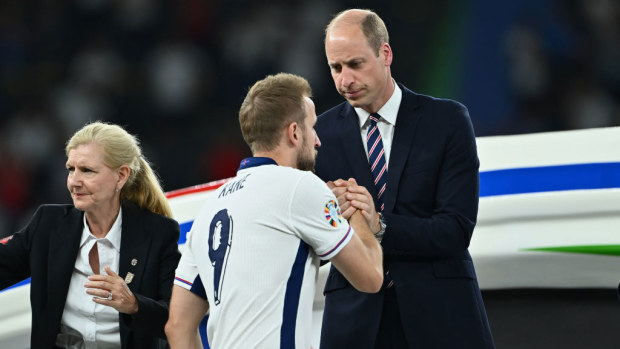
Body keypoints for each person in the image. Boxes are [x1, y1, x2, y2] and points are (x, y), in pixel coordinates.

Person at [315, 9, 495, 348]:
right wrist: (326, 215)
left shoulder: (448, 120)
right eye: (336, 68)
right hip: (355, 324)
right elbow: (317, 245)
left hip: (442, 316)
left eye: (355, 64)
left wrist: (379, 224)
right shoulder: (320, 134)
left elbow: (456, 230)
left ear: (385, 54)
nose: (345, 80)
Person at [165, 73, 383, 349]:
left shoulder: (208, 211)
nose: (318, 140)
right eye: (313, 127)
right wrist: (356, 212)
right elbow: (371, 277)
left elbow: (177, 326)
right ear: (294, 132)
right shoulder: (300, 186)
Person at [0, 122, 181, 349]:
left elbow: (177, 318)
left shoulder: (159, 233)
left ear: (121, 176)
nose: (74, 181)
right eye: (70, 169)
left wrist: (134, 304)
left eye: (87, 170)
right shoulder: (48, 225)